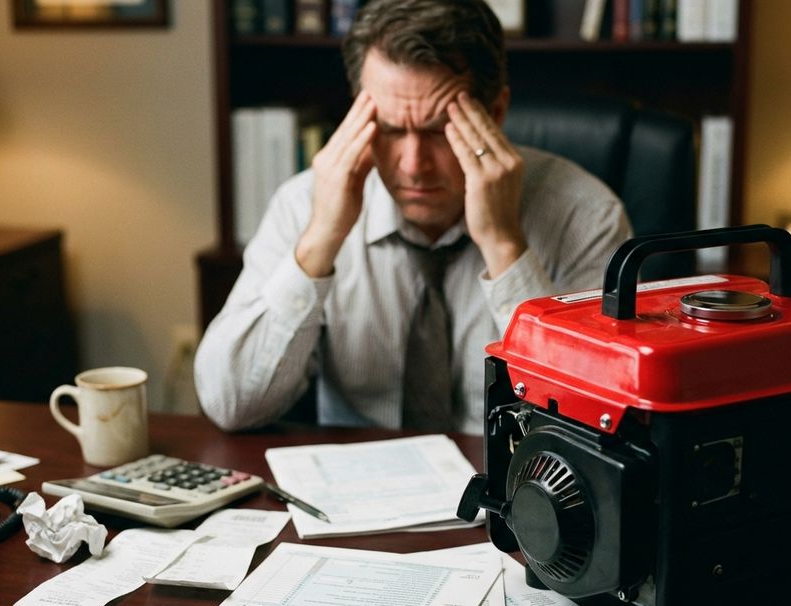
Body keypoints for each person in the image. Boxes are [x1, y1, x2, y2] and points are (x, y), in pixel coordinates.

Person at [194, 0, 632, 435]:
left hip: (517, 490)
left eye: (438, 129)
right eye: (388, 128)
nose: (412, 165)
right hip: (354, 487)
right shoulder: (305, 204)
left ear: (495, 113)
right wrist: (320, 242)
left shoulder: (585, 215)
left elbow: (593, 421)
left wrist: (504, 247)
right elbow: (231, 404)